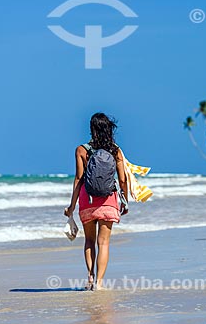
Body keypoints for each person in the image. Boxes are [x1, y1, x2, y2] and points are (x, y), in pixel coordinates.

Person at [64, 113, 129, 291]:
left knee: (89, 241)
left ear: (92, 129)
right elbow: (122, 179)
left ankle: (90, 279)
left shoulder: (81, 150)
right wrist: (125, 200)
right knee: (104, 243)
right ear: (108, 129)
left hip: (88, 199)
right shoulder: (116, 151)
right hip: (108, 199)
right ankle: (100, 283)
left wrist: (71, 206)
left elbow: (78, 179)